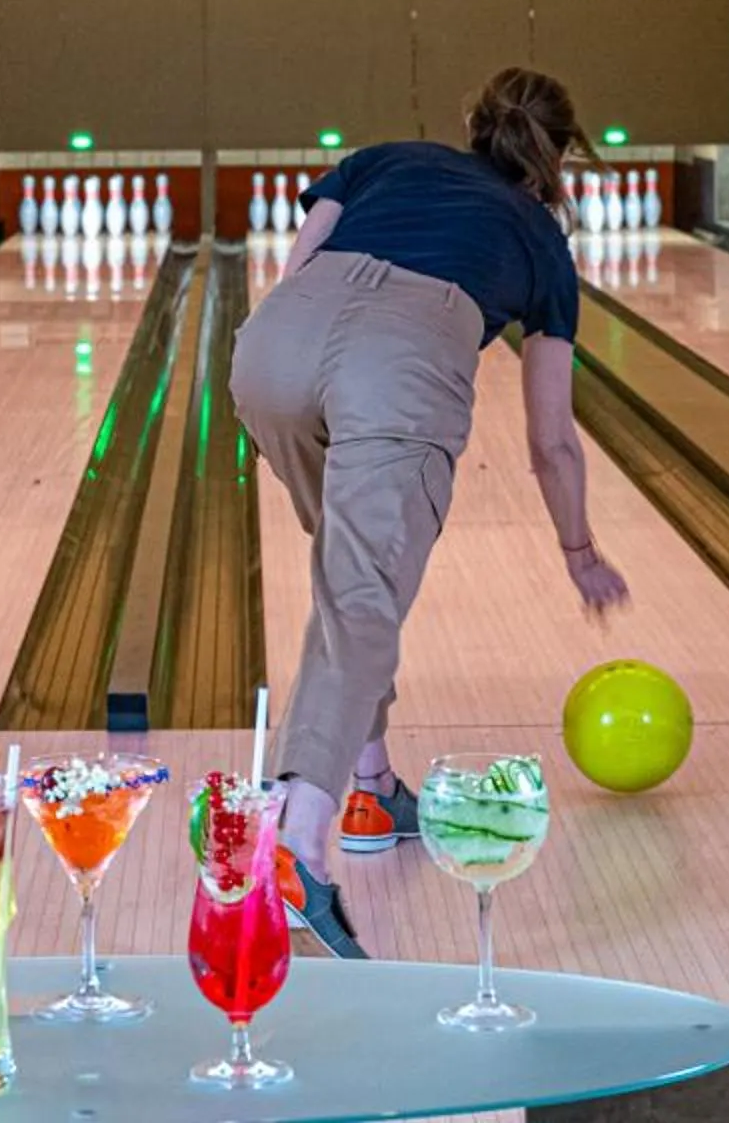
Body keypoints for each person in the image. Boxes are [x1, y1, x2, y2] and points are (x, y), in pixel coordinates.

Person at [229, 67, 631, 959]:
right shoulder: (539, 238)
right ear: (556, 156)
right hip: (400, 369)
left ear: (469, 124)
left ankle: (370, 784)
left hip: (270, 355)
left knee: (349, 592)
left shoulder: (383, 160)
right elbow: (551, 437)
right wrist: (578, 549)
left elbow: (296, 273)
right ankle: (296, 842)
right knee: (361, 597)